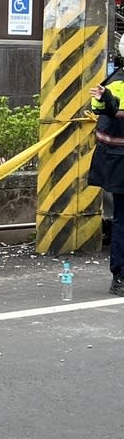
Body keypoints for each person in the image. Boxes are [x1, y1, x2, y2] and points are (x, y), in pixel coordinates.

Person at [89, 69, 124, 296]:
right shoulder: (118, 81)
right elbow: (106, 105)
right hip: (121, 163)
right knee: (123, 219)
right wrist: (105, 97)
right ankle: (120, 275)